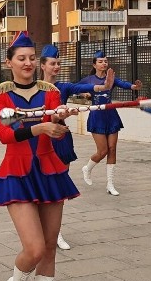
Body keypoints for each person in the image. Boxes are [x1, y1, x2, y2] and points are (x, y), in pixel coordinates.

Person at [0, 32, 80, 281]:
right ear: (9, 62)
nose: (27, 63)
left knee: (51, 247)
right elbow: (5, 134)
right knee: (35, 248)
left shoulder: (50, 92)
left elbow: (55, 126)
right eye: (21, 58)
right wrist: (40, 126)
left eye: (31, 58)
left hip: (49, 170)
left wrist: (59, 119)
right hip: (16, 172)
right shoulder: (0, 95)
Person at [39, 44, 114, 250]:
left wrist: (103, 86)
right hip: (40, 138)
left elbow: (87, 88)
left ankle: (55, 233)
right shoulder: (35, 88)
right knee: (43, 184)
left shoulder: (64, 87)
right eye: (53, 63)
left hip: (61, 137)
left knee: (60, 184)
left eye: (58, 63)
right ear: (43, 66)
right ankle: (41, 228)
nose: (56, 67)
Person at [79, 50, 142, 196]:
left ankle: (110, 184)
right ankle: (87, 168)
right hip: (97, 116)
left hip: (111, 115)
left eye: (105, 61)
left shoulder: (111, 78)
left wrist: (134, 87)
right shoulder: (89, 80)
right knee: (103, 151)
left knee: (112, 149)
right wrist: (85, 94)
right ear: (94, 64)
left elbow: (124, 84)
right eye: (100, 61)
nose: (104, 64)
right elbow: (75, 89)